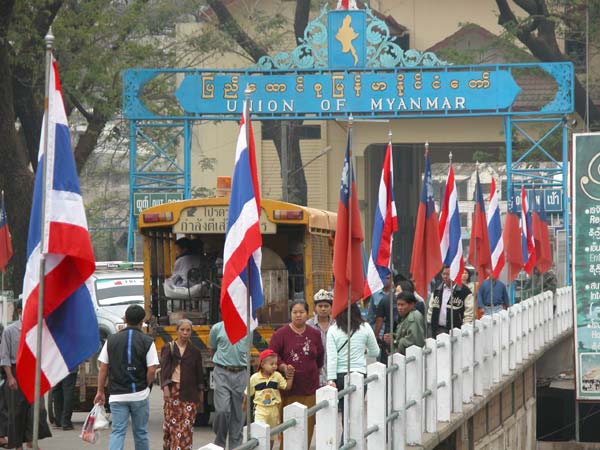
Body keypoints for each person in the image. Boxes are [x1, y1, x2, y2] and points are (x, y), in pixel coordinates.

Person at [94, 304, 159, 450]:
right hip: (139, 394)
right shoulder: (148, 341)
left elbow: (103, 368)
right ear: (142, 321)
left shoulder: (111, 340)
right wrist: (145, 385)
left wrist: (100, 391)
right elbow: (152, 370)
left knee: (118, 432)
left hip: (117, 395)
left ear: (125, 319)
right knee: (141, 432)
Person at [269, 300, 324, 448]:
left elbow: (320, 358)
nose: (298, 315)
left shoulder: (315, 334)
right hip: (288, 389)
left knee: (307, 426)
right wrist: (282, 366)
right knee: (288, 429)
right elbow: (271, 355)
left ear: (307, 314)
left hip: (310, 388)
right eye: (295, 312)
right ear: (290, 314)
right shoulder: (280, 334)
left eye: (302, 312)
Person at [0, 301, 52, 450]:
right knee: (17, 411)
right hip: (16, 372)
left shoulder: (38, 329)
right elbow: (4, 357)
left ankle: (31, 440)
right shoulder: (10, 331)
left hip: (33, 371)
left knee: (36, 408)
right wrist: (10, 377)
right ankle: (17, 445)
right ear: (19, 311)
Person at [160, 318, 204, 450]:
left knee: (186, 427)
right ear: (177, 331)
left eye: (188, 330)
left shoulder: (195, 351)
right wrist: (166, 388)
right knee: (172, 426)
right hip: (173, 391)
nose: (185, 333)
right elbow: (164, 371)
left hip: (190, 393)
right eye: (182, 330)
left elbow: (199, 374)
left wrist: (200, 392)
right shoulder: (169, 348)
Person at [326, 303, 379, 410]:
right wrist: (364, 352)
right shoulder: (366, 327)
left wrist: (331, 379)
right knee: (357, 411)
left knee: (344, 411)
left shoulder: (332, 330)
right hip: (360, 373)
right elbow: (375, 352)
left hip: (340, 375)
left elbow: (332, 358)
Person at [209, 320, 248, 449]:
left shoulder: (247, 328)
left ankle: (235, 446)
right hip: (221, 372)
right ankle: (219, 443)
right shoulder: (217, 328)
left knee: (239, 414)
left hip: (241, 373)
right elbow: (213, 349)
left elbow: (247, 350)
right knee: (222, 411)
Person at [242, 349, 293, 445]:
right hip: (260, 409)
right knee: (259, 431)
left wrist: (291, 376)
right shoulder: (255, 378)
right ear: (262, 365)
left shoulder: (277, 376)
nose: (275, 366)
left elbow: (287, 387)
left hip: (274, 410)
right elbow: (247, 393)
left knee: (271, 434)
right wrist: (244, 404)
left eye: (276, 364)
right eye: (271, 364)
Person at [427, 266, 472, 337]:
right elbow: (431, 309)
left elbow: (469, 314)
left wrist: (465, 328)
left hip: (457, 332)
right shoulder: (437, 291)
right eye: (443, 274)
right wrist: (430, 324)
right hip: (437, 330)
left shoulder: (465, 292)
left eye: (448, 274)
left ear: (455, 274)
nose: (445, 276)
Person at [307, 289, 334, 386]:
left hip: (332, 372)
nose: (323, 309)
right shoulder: (308, 325)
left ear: (331, 307)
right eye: (320, 306)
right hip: (314, 373)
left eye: (326, 306)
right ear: (315, 307)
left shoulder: (336, 325)